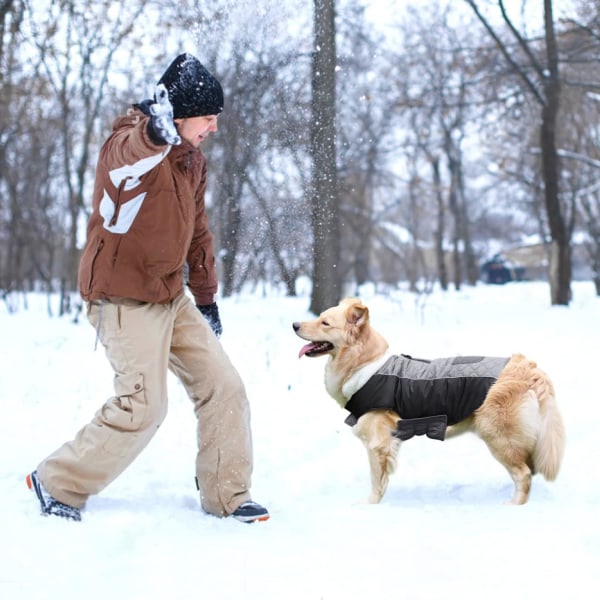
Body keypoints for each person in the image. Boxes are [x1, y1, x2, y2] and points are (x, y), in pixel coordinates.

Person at [26, 53, 269, 524]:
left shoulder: (191, 162)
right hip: (121, 296)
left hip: (170, 295)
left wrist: (206, 296)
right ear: (178, 117)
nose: (214, 127)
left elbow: (198, 231)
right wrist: (153, 135)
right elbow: (125, 157)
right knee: (144, 406)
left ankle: (226, 494)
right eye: (208, 118)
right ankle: (57, 480)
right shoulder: (132, 145)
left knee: (225, 386)